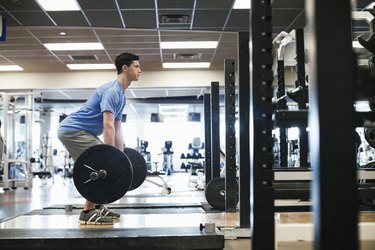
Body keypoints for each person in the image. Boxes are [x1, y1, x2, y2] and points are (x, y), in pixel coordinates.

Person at [57, 52, 141, 225]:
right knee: (99, 165)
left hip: (83, 132)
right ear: (125, 68)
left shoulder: (121, 95)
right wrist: (108, 158)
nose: (140, 70)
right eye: (137, 66)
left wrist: (120, 155)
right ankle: (87, 211)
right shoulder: (112, 91)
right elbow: (108, 126)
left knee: (104, 164)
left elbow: (117, 127)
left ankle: (96, 207)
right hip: (72, 130)